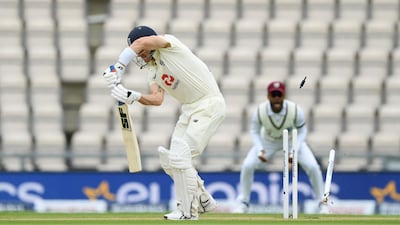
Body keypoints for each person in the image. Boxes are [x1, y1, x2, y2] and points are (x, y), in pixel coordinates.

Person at [102, 26, 226, 220]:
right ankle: (203, 199)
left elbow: (142, 42)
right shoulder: (152, 71)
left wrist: (118, 67)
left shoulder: (169, 44)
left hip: (209, 104)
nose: (141, 56)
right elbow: (156, 99)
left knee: (180, 155)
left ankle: (187, 212)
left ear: (150, 42)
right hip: (190, 109)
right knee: (169, 160)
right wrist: (131, 96)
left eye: (141, 52)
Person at [234, 81, 328, 214]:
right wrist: (260, 149)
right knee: (247, 165)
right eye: (274, 94)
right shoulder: (260, 111)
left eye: (279, 94)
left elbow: (302, 131)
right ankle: (243, 202)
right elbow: (254, 131)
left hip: (291, 140)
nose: (277, 98)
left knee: (312, 166)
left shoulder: (295, 110)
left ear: (284, 96)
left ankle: (322, 203)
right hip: (268, 141)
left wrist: (294, 150)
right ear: (268, 96)